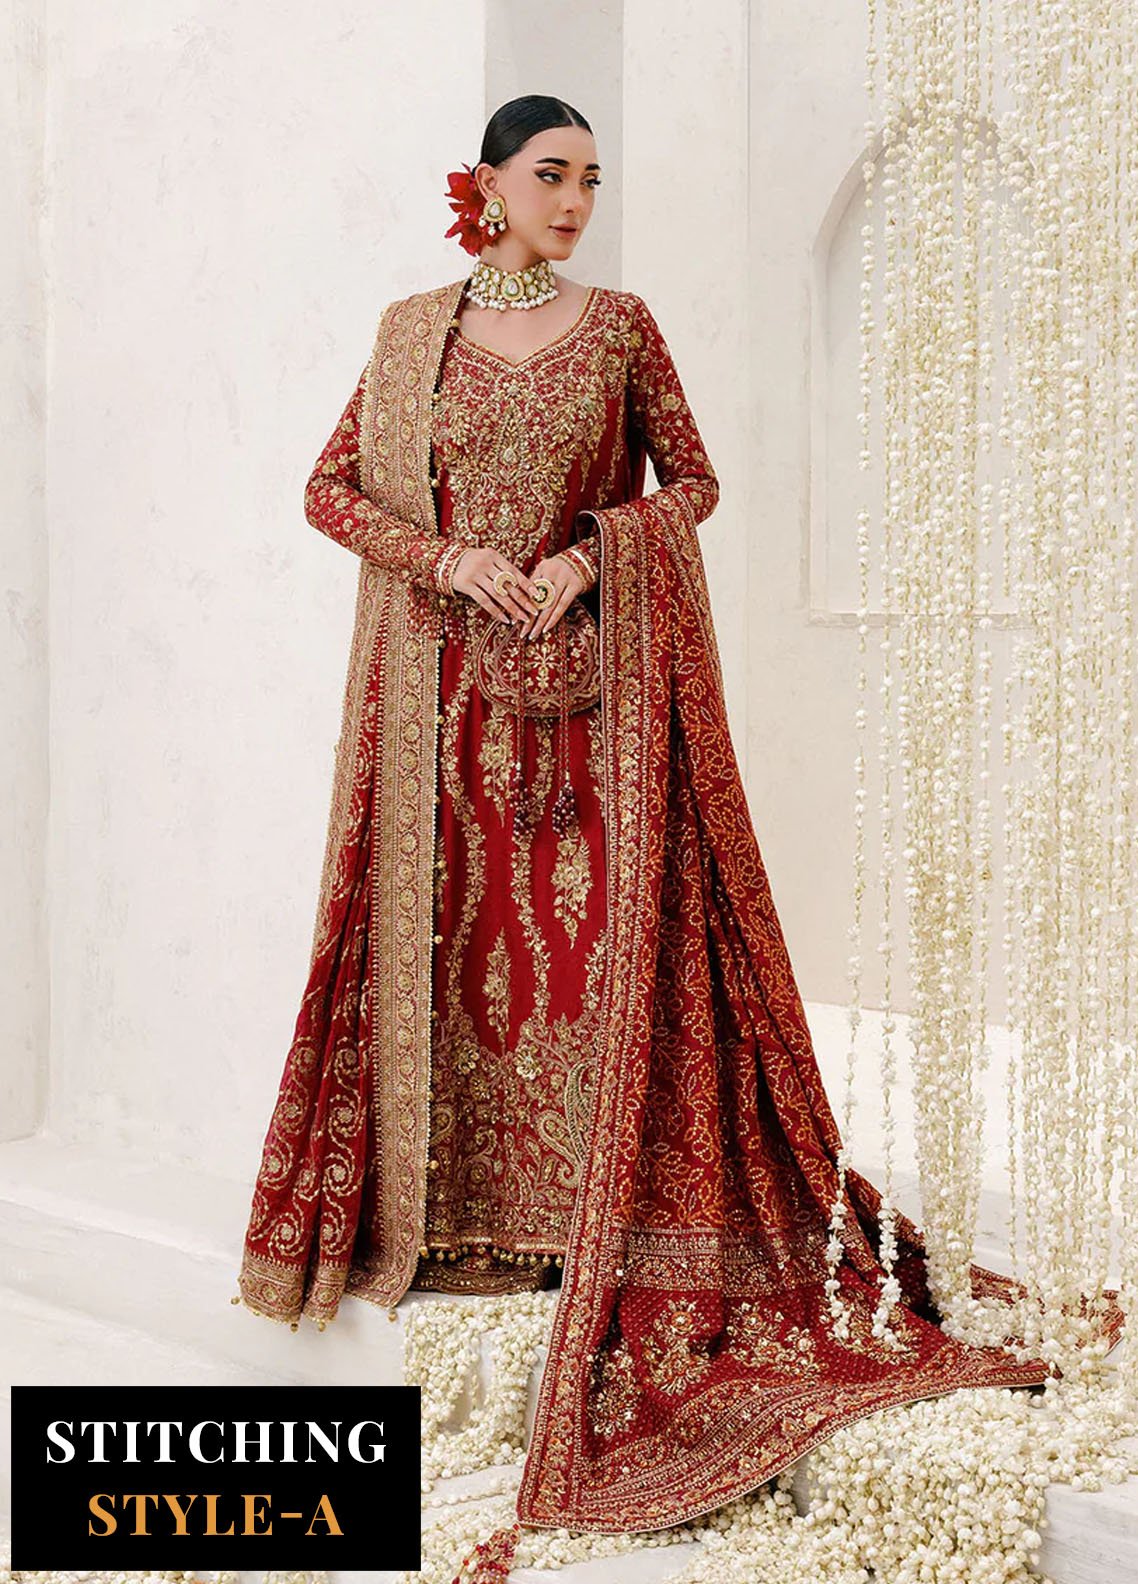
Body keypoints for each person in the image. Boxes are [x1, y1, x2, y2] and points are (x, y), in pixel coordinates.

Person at [235, 96, 1123, 1543]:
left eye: (591, 179)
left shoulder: (622, 329)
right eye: (551, 175)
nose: (575, 201)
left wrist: (589, 559)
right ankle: (468, 1226)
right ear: (487, 184)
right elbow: (329, 491)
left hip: (596, 706)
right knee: (458, 954)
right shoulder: (409, 337)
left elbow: (690, 483)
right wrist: (450, 561)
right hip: (447, 711)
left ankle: (589, 1224)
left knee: (589, 960)